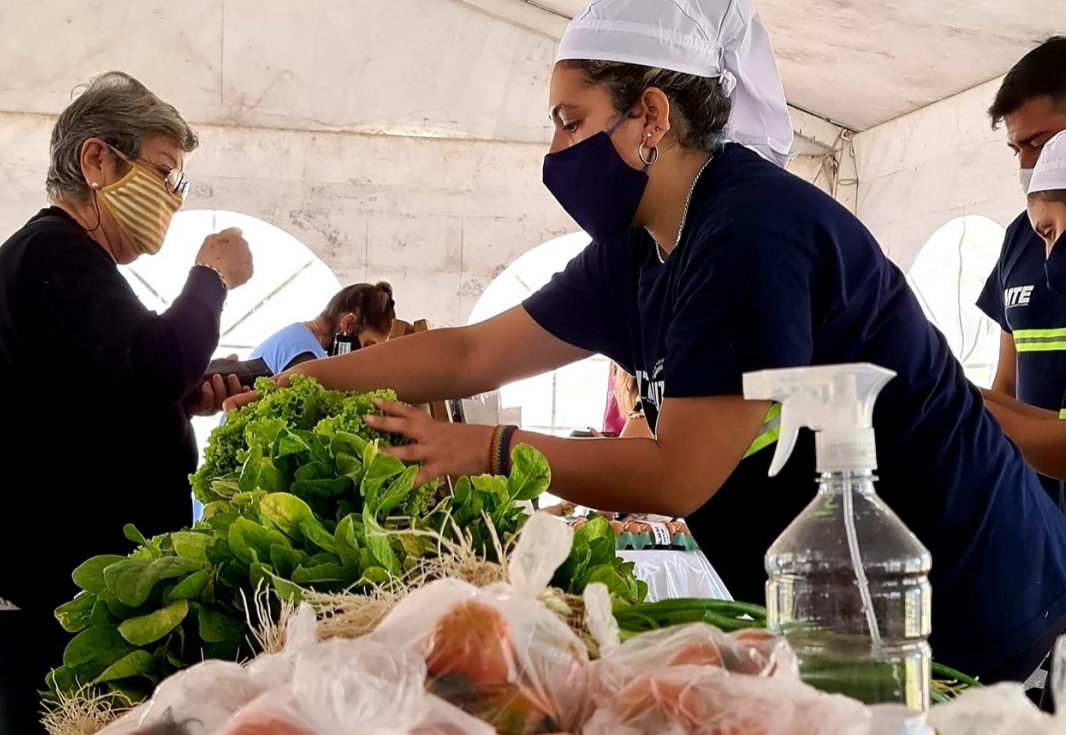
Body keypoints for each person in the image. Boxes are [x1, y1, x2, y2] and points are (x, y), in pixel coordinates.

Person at [231, 0, 1066, 683]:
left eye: (570, 121)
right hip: (844, 612)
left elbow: (680, 472)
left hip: (963, 597)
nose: (556, 151)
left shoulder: (751, 231)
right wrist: (299, 385)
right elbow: (467, 353)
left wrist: (487, 447)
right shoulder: (639, 250)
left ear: (651, 116)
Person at [0, 72, 253, 734]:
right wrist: (211, 277)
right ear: (97, 160)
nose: (173, 200)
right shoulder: (53, 253)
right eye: (165, 174)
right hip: (25, 579)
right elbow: (150, 362)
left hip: (39, 573)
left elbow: (102, 390)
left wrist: (178, 402)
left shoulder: (68, 265)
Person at [976, 37, 1066, 512]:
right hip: (1043, 514)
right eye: (1017, 149)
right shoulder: (1019, 236)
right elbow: (1007, 384)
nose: (1029, 164)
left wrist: (951, 406)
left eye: (1040, 142)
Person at [249, 282, 396, 372]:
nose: (367, 356)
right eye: (368, 345)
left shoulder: (296, 335)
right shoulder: (307, 356)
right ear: (348, 323)